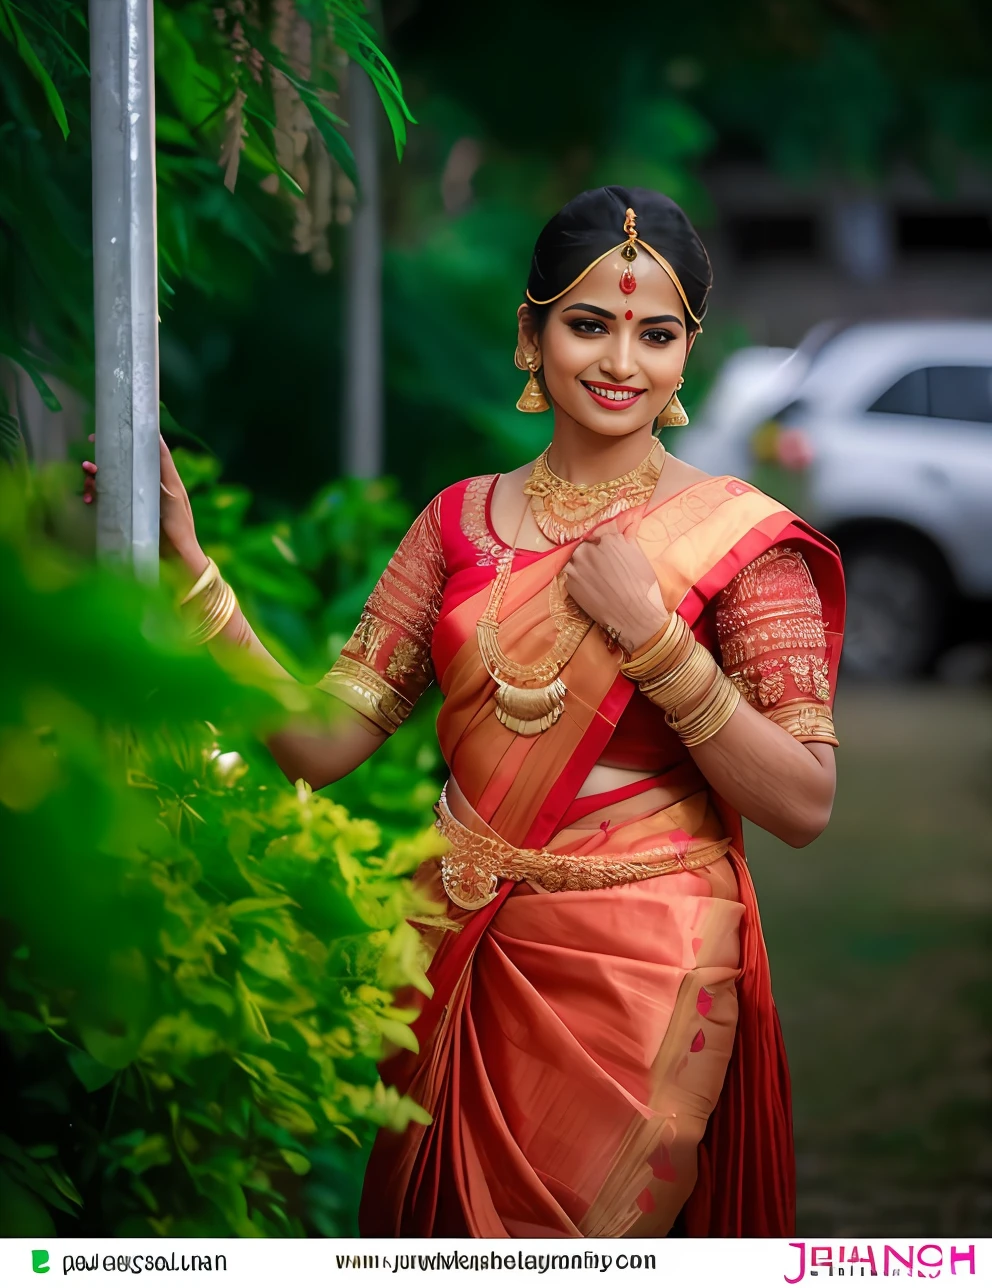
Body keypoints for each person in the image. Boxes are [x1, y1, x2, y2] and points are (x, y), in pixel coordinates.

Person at [83, 185, 845, 1238]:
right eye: (588, 324)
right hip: (461, 950)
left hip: (651, 961)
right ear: (530, 336)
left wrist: (655, 640)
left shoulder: (736, 545)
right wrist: (190, 567)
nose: (620, 362)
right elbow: (318, 739)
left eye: (654, 334)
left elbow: (802, 802)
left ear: (684, 360)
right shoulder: (454, 523)